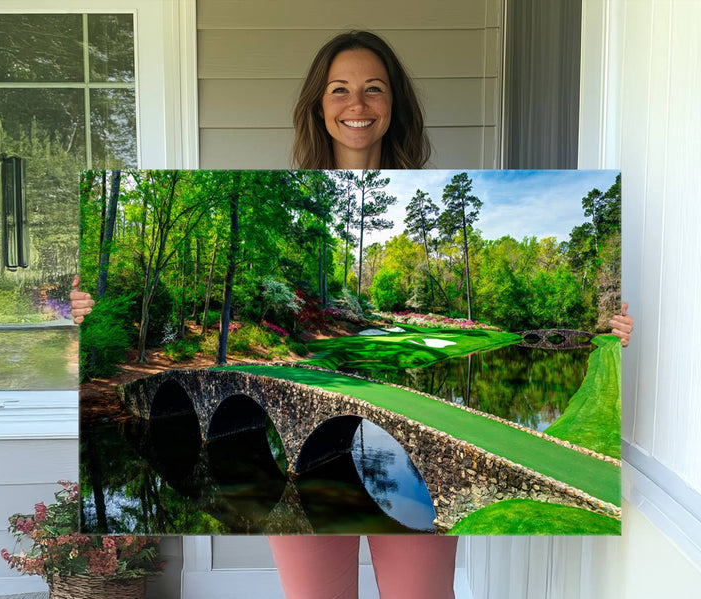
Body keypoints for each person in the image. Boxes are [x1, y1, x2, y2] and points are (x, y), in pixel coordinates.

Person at [71, 30, 634, 599]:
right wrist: (81, 314)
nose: (357, 105)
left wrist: (615, 335)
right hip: (313, 483)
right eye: (339, 90)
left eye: (374, 89)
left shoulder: (451, 183)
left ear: (394, 105)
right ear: (319, 105)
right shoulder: (283, 193)